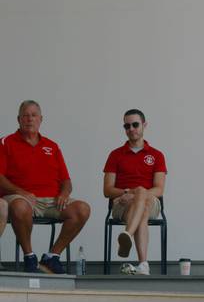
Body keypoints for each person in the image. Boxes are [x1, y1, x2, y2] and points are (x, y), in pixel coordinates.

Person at [0, 100, 91, 274]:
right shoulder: (6, 143)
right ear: (18, 119)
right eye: (25, 115)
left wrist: (64, 193)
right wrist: (21, 192)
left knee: (82, 209)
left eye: (34, 115)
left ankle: (52, 256)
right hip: (19, 197)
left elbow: (66, 180)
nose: (29, 119)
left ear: (41, 119)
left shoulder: (52, 146)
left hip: (51, 200)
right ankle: (29, 257)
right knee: (20, 206)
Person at [103, 109, 166, 276]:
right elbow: (107, 190)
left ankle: (127, 234)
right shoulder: (115, 155)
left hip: (151, 200)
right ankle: (143, 265)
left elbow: (159, 189)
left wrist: (138, 194)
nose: (131, 129)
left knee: (141, 196)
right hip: (121, 203)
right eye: (127, 126)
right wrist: (127, 192)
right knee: (142, 209)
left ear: (144, 125)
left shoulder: (157, 155)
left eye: (135, 124)